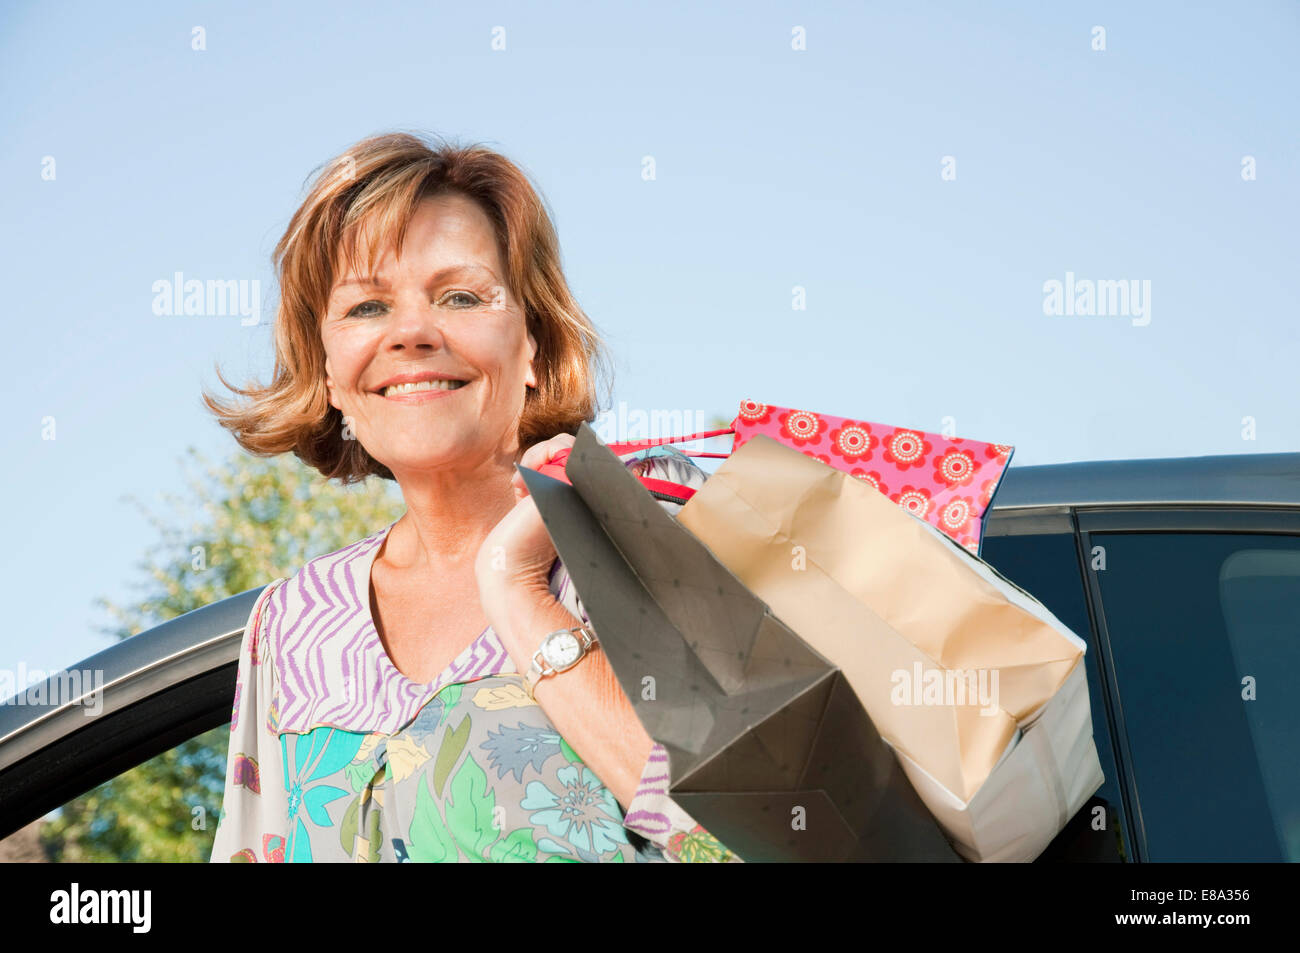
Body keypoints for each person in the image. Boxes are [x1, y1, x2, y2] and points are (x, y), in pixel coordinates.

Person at [204, 132, 739, 863]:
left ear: (536, 349)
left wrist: (519, 590)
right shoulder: (290, 622)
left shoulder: (644, 545)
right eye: (366, 307)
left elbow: (752, 841)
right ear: (326, 372)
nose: (412, 333)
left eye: (460, 295)